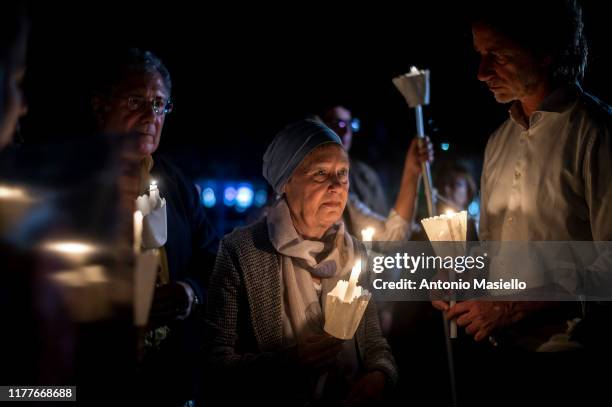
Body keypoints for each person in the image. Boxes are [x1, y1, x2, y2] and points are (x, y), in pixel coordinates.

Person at [432, 0, 612, 404]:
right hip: (504, 360)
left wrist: (513, 305)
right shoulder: (498, 142)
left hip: (576, 363)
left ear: (546, 50)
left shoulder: (594, 134)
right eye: (480, 55)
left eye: (498, 55)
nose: (481, 73)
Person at [204, 119, 397, 406]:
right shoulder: (241, 251)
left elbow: (374, 345)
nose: (336, 186)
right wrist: (289, 362)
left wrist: (380, 375)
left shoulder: (355, 253)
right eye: (320, 173)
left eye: (342, 174)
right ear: (286, 183)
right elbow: (214, 366)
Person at [92, 48, 219, 406]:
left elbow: (213, 260)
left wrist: (189, 291)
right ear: (101, 107)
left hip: (170, 385)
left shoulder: (174, 184)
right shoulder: (71, 183)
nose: (151, 115)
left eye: (160, 104)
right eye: (136, 100)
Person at [321, 105, 434, 242]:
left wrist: (412, 172)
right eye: (320, 173)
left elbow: (391, 235)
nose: (346, 130)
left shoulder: (362, 180)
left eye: (350, 124)